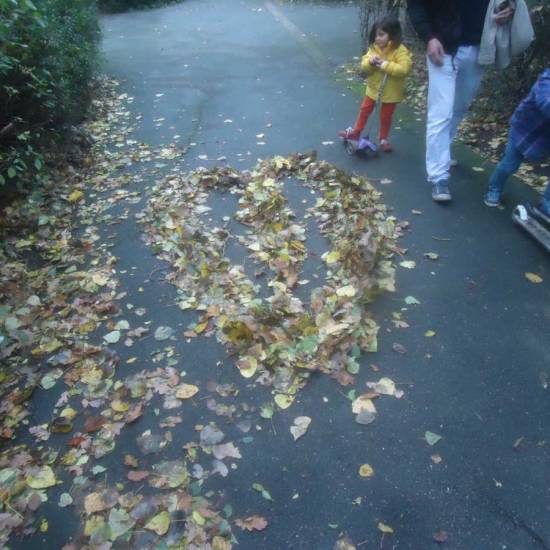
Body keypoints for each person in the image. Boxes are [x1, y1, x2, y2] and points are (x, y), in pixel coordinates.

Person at [407, 0, 515, 202]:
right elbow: (416, 5)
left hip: (479, 45)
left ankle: (443, 149)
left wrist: (505, 10)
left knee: (460, 107)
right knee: (441, 112)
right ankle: (439, 176)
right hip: (443, 46)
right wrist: (429, 37)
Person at [338, 15, 412, 153]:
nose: (377, 38)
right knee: (364, 110)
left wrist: (385, 65)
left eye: (381, 35)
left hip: (391, 92)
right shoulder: (374, 49)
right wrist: (370, 62)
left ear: (392, 35)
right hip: (373, 88)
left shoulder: (400, 51)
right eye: (376, 35)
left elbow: (404, 69)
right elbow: (364, 66)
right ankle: (356, 132)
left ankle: (383, 139)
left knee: (386, 116)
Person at [484, 69, 550, 220]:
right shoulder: (546, 80)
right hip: (524, 129)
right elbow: (546, 102)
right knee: (510, 165)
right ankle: (494, 188)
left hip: (545, 137)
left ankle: (547, 202)